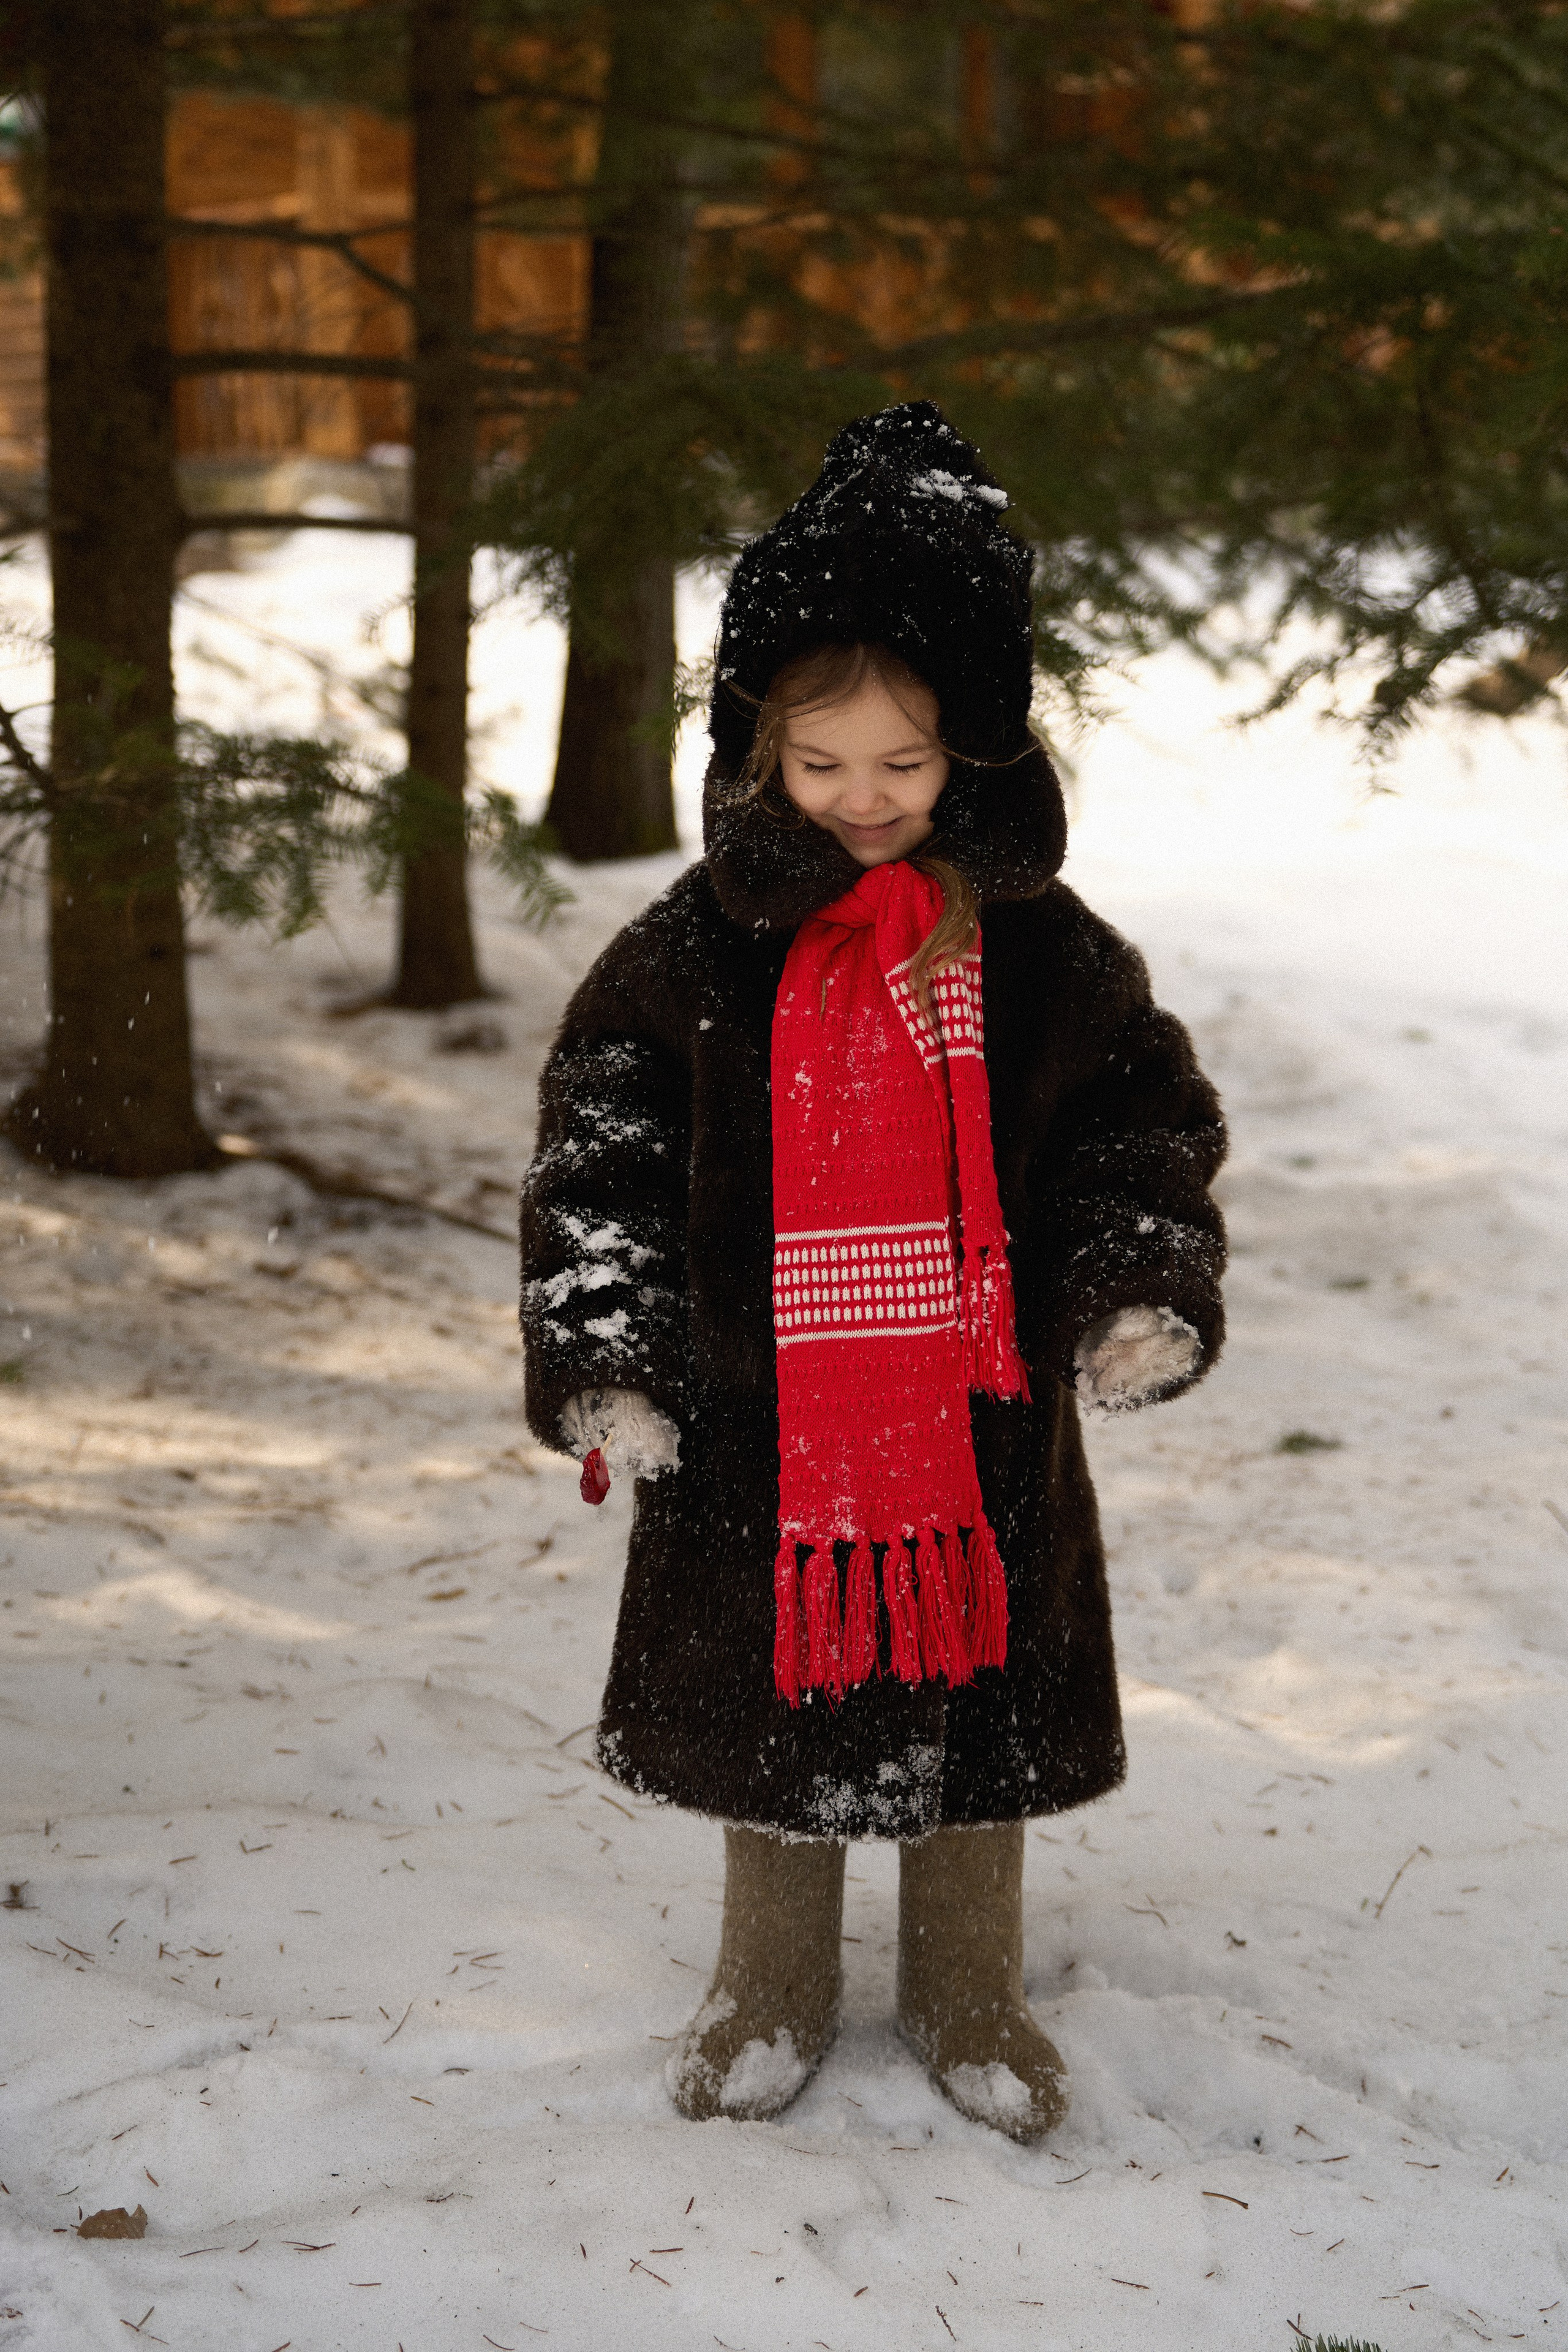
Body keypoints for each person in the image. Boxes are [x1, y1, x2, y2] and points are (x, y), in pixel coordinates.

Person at [520, 401, 1227, 2143]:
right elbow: (600, 1150)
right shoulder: (692, 952)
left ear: (976, 755)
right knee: (783, 1694)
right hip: (765, 1418)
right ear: (758, 749)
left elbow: (1135, 1126)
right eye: (819, 765)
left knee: (974, 1700)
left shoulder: (1047, 955)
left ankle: (969, 1990)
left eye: (903, 768)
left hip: (971, 1416)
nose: (858, 803)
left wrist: (1134, 1279)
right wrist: (609, 1343)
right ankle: (769, 1985)